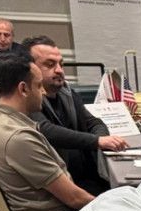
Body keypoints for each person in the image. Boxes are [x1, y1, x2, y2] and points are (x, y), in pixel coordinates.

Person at [0, 52, 93, 211]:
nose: (43, 91)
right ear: (23, 89)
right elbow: (74, 198)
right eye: (39, 85)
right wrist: (113, 207)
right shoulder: (18, 138)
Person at [24, 35, 125, 195]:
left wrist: (103, 141)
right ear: (31, 69)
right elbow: (45, 130)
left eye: (61, 64)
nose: (59, 70)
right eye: (50, 64)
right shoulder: (29, 100)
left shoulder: (67, 93)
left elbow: (95, 123)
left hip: (91, 178)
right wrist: (97, 141)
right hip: (66, 188)